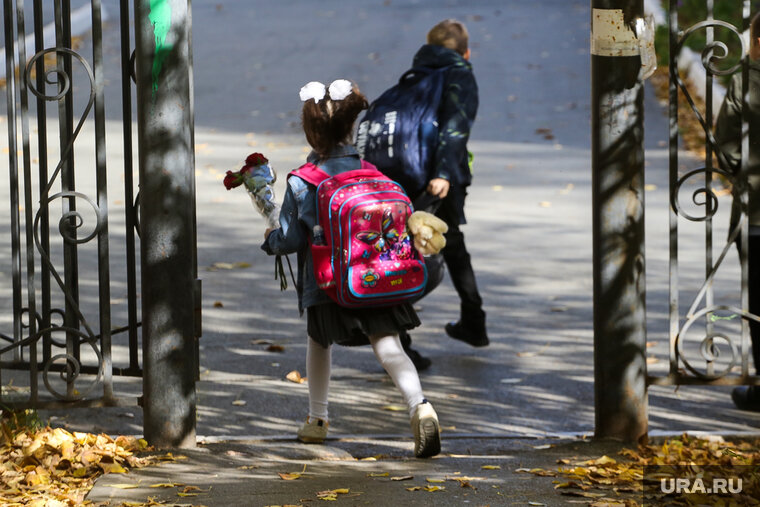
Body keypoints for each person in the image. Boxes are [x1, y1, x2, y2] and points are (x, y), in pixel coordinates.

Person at [261, 79, 442, 457]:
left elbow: (291, 239)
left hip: (328, 284)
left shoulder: (303, 181)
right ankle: (420, 406)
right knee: (389, 345)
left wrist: (270, 238)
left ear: (311, 133)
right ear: (351, 129)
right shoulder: (375, 175)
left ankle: (318, 420)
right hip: (380, 276)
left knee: (318, 342)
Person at [398, 18, 489, 369]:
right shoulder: (460, 73)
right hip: (442, 176)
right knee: (432, 246)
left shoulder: (416, 73)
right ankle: (468, 322)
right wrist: (444, 172)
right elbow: (456, 127)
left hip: (408, 172)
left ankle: (467, 323)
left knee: (412, 245)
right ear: (466, 52)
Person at [714, 12, 760, 412]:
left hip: (756, 214)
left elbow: (725, 141)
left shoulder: (746, 80)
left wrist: (740, 176)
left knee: (758, 306)